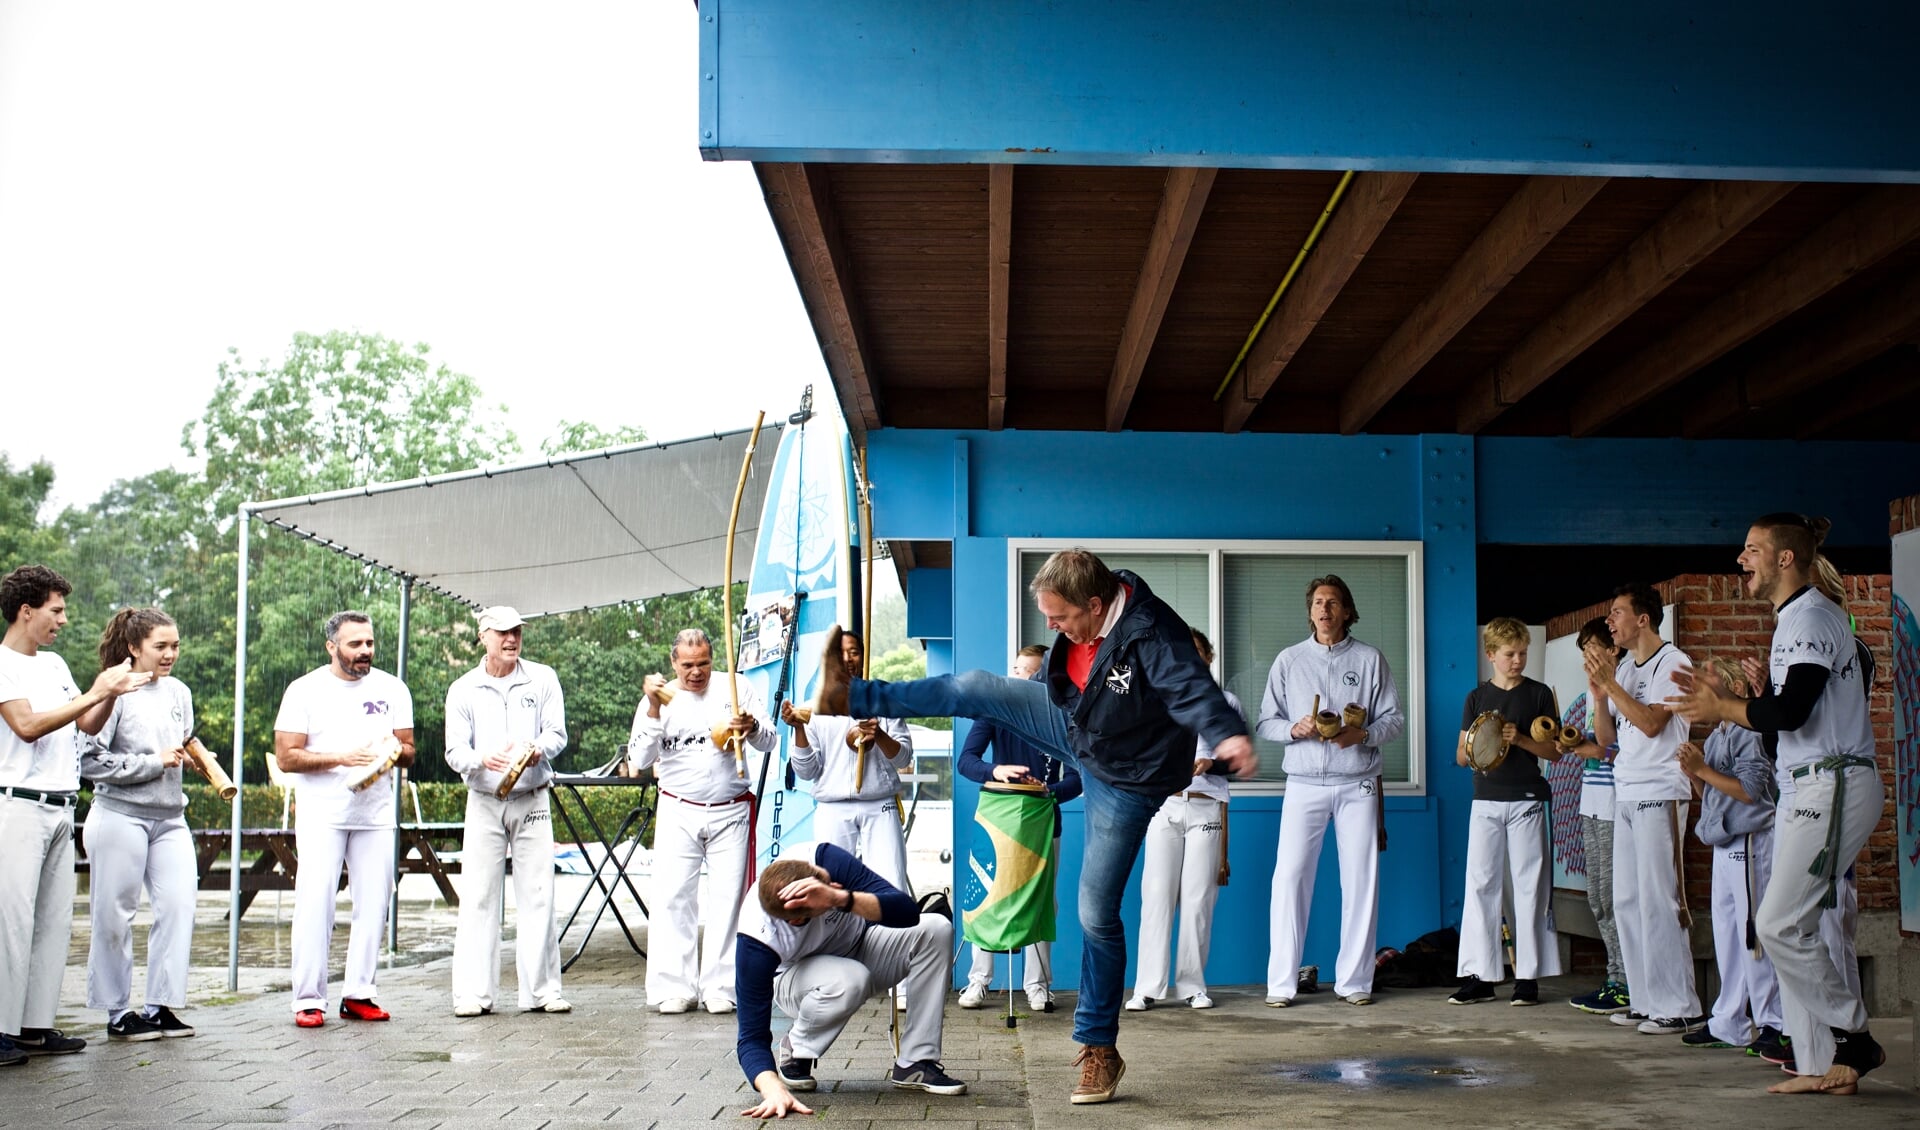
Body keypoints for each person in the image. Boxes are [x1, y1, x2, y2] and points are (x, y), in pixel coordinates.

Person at [812, 548, 1253, 1105]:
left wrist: (1227, 732)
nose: (1051, 626)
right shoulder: (1090, 602)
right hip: (1080, 729)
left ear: (1095, 606)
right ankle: (851, 694)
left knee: (1095, 909)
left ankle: (1099, 1048)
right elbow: (1056, 675)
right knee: (977, 686)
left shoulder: (1153, 634)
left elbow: (1191, 686)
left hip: (1129, 777)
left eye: (1061, 617)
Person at [1669, 514, 1885, 1094]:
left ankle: (1854, 1038)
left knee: (1780, 923)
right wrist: (1744, 703)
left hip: (1833, 784)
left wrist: (1725, 709)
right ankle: (1822, 1066)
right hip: (1804, 784)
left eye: (1752, 550)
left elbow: (1791, 714)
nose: (1741, 560)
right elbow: (1780, 731)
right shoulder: (1790, 620)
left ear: (1785, 559)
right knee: (1794, 927)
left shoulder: (1812, 614)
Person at [0, 565, 150, 1064]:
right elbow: (26, 726)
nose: (63, 619)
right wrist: (95, 692)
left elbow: (85, 721)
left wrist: (110, 691)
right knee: (12, 922)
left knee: (52, 922)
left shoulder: (56, 665)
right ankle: (0, 1028)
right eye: (56, 610)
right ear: (27, 611)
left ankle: (34, 1027)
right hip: (18, 805)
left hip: (63, 805)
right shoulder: (3, 663)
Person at [733, 841, 966, 1119]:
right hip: (798, 982)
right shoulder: (756, 942)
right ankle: (797, 1047)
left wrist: (839, 898)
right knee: (851, 978)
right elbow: (750, 1038)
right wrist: (772, 1089)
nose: (830, 881)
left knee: (935, 929)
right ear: (798, 919)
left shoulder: (823, 860)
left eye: (825, 879)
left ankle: (916, 1062)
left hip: (861, 942)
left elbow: (906, 911)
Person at [1257, 574, 1405, 1008]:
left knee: (1361, 880)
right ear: (1310, 611)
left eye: (1333, 602)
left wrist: (1361, 736)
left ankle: (1355, 982)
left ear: (1346, 611)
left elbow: (1394, 719)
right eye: (1318, 602)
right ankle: (1281, 984)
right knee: (1289, 878)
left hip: (1356, 782)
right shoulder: (1289, 660)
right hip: (1303, 782)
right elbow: (1266, 721)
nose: (1324, 609)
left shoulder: (1370, 659)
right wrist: (1294, 727)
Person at [274, 610, 416, 1028]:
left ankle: (359, 993)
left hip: (374, 814)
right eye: (355, 644)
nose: (365, 651)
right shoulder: (305, 690)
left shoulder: (393, 688)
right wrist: (341, 757)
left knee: (374, 904)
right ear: (332, 647)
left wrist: (393, 749)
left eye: (369, 643)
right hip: (323, 814)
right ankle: (308, 999)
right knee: (316, 905)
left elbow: (409, 749)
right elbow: (286, 757)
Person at [631, 627, 775, 1015]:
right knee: (673, 897)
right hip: (678, 807)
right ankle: (673, 986)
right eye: (689, 665)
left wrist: (753, 728)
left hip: (731, 808)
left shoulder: (737, 687)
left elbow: (770, 740)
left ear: (714, 660)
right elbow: (640, 759)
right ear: (674, 662)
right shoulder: (659, 698)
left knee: (729, 900)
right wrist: (653, 709)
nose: (697, 673)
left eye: (705, 664)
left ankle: (722, 986)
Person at [1588, 582, 1703, 1036]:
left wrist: (1613, 683)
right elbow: (1604, 739)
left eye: (1617, 612)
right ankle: (1645, 998)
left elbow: (1654, 724)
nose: (1610, 621)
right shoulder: (1628, 669)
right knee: (1627, 900)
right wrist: (1600, 695)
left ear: (1643, 619)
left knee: (1661, 900)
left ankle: (1680, 1004)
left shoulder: (1671, 662)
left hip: (1660, 789)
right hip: (1628, 790)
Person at [80, 608, 200, 1042]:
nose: (171, 654)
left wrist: (199, 761)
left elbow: (183, 741)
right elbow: (89, 761)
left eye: (176, 646)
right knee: (113, 913)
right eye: (161, 646)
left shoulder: (179, 692)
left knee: (180, 906)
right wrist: (153, 763)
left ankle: (158, 1006)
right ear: (134, 648)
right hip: (119, 816)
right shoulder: (114, 692)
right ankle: (116, 1013)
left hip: (171, 819)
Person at [444, 606, 570, 1018]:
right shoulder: (463, 688)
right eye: (501, 633)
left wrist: (538, 749)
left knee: (538, 894)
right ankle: (473, 994)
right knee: (478, 897)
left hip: (533, 797)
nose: (511, 639)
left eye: (516, 631)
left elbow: (557, 733)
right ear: (483, 636)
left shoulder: (544, 677)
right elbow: (453, 751)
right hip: (483, 801)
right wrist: (482, 758)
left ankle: (542, 991)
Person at [955, 644, 1081, 1013]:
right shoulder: (995, 710)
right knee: (988, 894)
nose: (1017, 677)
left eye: (1026, 671)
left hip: (1043, 823)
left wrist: (1048, 792)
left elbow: (1077, 778)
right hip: (997, 821)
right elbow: (967, 761)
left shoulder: (1062, 718)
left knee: (1042, 901)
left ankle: (1037, 985)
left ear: (1044, 680)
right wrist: (997, 772)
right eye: (1015, 669)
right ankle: (978, 980)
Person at [1446, 617, 1563, 1006]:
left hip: (1528, 798)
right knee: (1480, 885)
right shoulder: (1475, 699)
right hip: (1486, 800)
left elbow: (1555, 752)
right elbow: (1461, 756)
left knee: (1529, 887)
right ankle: (1480, 975)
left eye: (1523, 653)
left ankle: (1527, 978)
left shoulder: (1540, 694)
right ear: (1491, 655)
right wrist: (1479, 745)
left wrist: (1523, 740)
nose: (1518, 660)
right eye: (1510, 654)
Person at [1127, 629, 1238, 1012]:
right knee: (1156, 894)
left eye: (1197, 652)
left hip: (1207, 805)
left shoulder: (1226, 703)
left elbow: (1237, 761)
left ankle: (1192, 985)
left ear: (1208, 657)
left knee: (1198, 898)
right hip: (1164, 806)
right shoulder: (1154, 700)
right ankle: (1146, 986)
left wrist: (1211, 763)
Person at [1675, 656, 1783, 1053]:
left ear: (1733, 688)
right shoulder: (1719, 733)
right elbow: (1717, 796)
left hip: (1751, 840)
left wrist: (1701, 769)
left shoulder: (1746, 730)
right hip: (1724, 840)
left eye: (1709, 683)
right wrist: (1695, 774)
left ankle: (1772, 1021)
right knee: (1727, 935)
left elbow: (1752, 790)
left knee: (1753, 934)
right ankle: (1729, 1020)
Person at [782, 628, 914, 889]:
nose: (848, 659)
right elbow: (807, 772)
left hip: (880, 805)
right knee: (830, 884)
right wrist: (798, 729)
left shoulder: (885, 702)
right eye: (840, 654)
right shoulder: (814, 708)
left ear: (863, 658)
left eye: (854, 652)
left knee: (891, 884)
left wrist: (879, 736)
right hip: (832, 807)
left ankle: (889, 931)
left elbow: (904, 759)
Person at [1568, 617, 1631, 1016]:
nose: (1588, 657)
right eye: (1584, 651)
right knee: (1598, 898)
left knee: (1612, 897)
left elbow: (1634, 749)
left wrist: (1600, 752)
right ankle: (1615, 978)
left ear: (1614, 649)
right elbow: (1603, 741)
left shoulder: (1623, 685)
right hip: (1591, 801)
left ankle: (1624, 982)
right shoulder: (1597, 691)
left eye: (1593, 648)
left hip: (1614, 803)